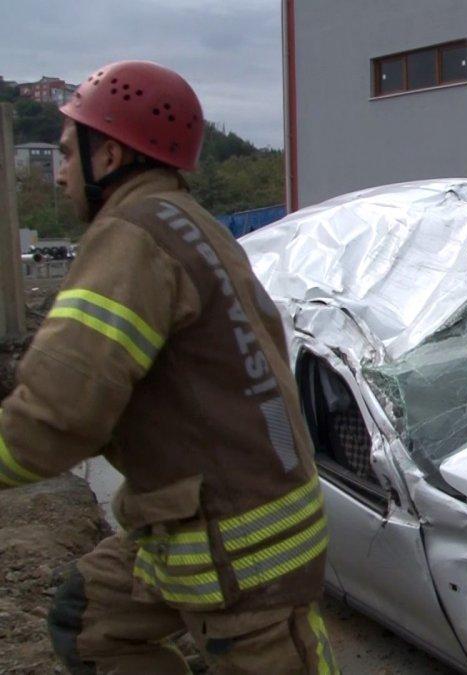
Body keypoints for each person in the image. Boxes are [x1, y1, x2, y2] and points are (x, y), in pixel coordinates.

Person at [0, 61, 336, 673]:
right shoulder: (193, 224)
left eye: (69, 152)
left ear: (109, 156)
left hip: (237, 549)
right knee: (86, 617)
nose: (62, 172)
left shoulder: (131, 236)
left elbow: (58, 414)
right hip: (209, 522)